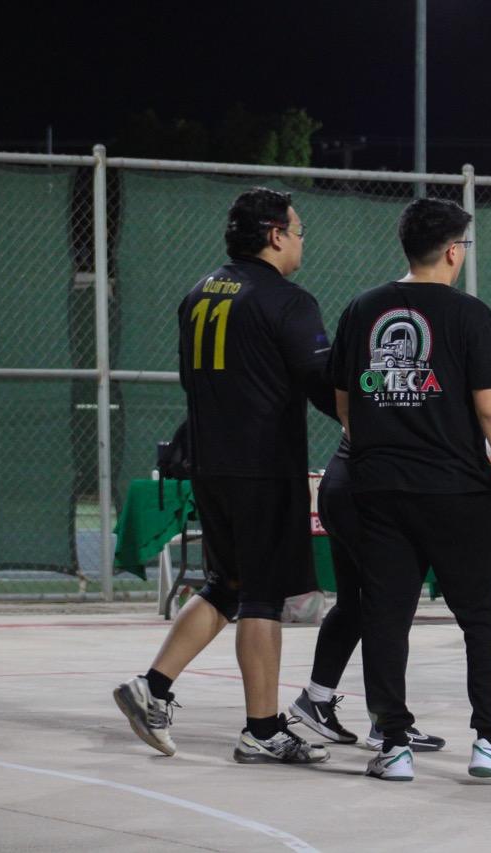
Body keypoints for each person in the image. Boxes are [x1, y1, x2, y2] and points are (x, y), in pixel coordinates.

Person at [329, 197, 491, 782]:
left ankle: (392, 745)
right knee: (484, 615)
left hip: (379, 490)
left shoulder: (361, 308)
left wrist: (386, 443)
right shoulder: (469, 314)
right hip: (456, 493)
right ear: (454, 251)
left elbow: (345, 402)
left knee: (385, 615)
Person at [114, 187, 335, 765]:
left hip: (210, 461)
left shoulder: (199, 292)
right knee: (262, 597)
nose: (301, 241)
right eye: (298, 231)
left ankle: (152, 686)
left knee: (227, 584)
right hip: (262, 465)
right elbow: (321, 383)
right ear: (275, 235)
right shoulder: (286, 300)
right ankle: (262, 730)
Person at [285, 430, 447, 753]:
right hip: (371, 489)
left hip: (341, 481)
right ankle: (386, 724)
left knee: (354, 606)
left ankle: (316, 698)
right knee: (390, 609)